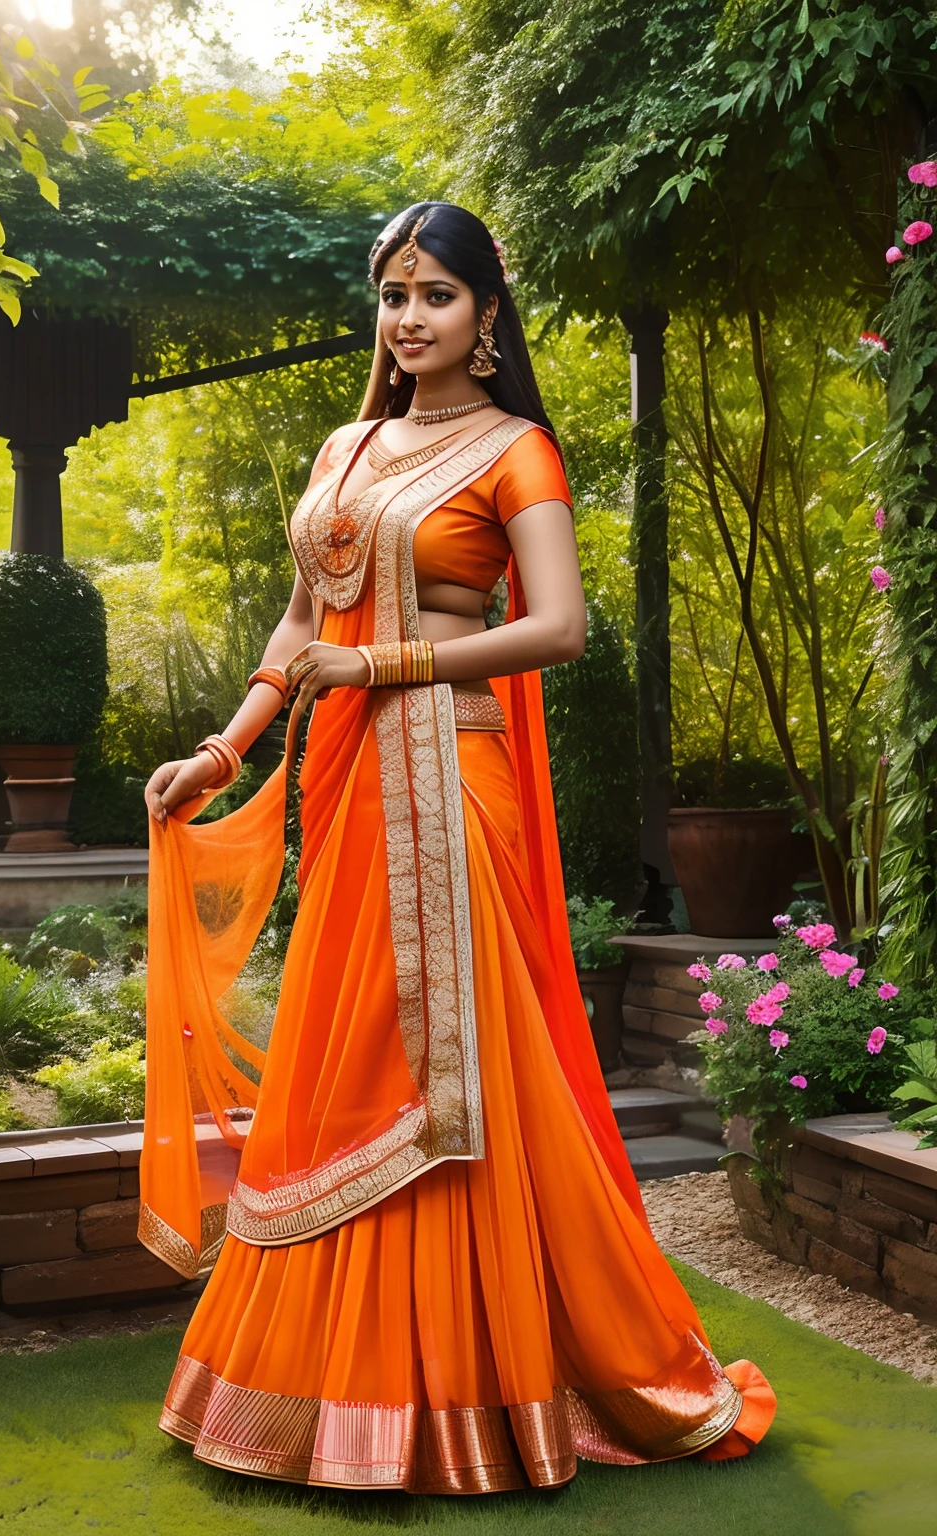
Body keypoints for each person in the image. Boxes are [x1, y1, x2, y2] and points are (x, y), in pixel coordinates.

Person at [141, 201, 775, 1494]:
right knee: (355, 1047)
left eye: (436, 294)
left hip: (453, 775)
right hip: (357, 780)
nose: (411, 317)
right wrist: (225, 748)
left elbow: (561, 629)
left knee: (463, 1066)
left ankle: (492, 1391)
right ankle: (325, 1391)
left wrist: (382, 660)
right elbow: (295, 622)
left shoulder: (516, 450)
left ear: (488, 316)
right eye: (394, 295)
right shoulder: (348, 444)